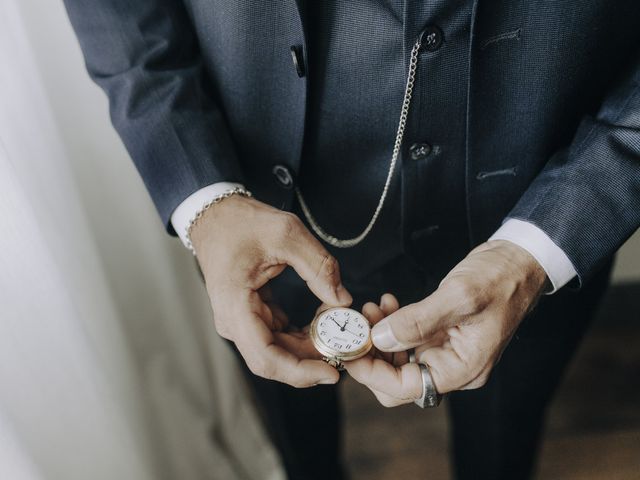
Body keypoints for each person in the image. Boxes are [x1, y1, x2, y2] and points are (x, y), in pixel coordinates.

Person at [63, 1, 640, 478]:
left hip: (546, 205)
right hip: (260, 224)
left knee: (505, 438)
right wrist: (207, 202)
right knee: (295, 430)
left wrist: (536, 251)